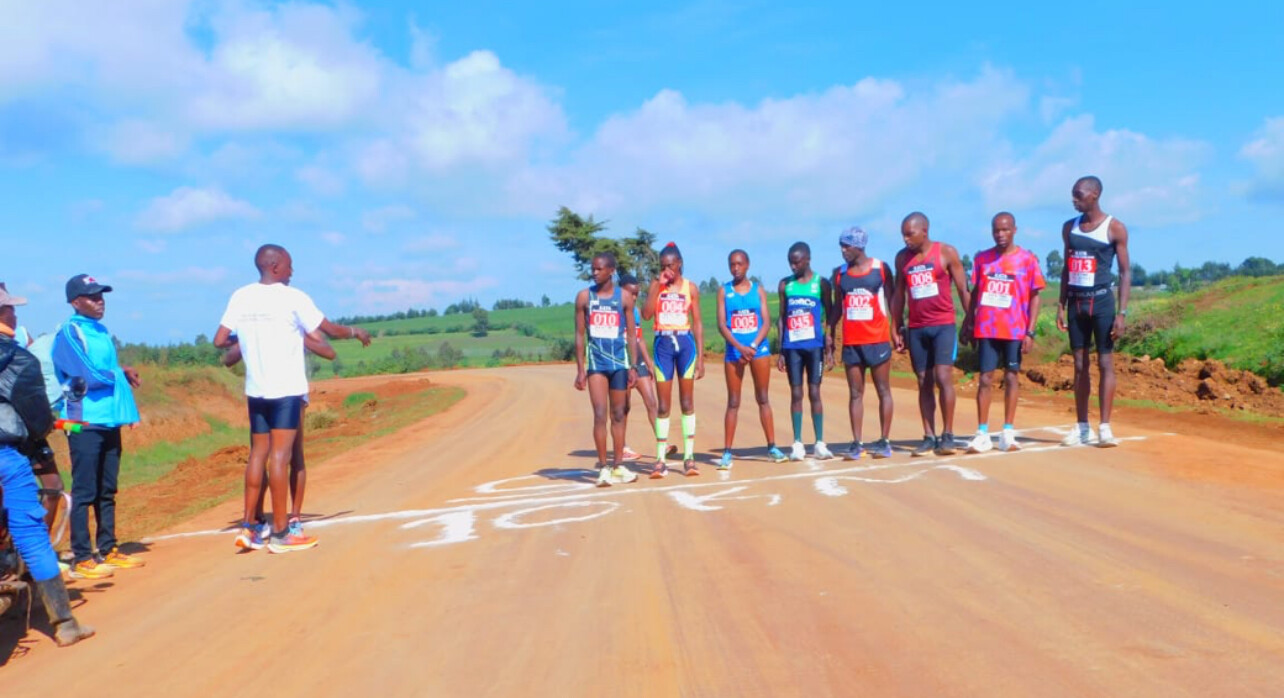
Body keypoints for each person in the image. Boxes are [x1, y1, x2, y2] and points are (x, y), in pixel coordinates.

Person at [214, 244, 368, 554]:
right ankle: (282, 532)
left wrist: (248, 335)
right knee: (281, 458)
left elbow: (219, 340)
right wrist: (356, 332)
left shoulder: (241, 296)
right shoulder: (294, 298)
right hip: (285, 390)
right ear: (274, 266)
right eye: (289, 265)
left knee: (258, 455)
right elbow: (330, 332)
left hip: (256, 391)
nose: (292, 271)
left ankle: (250, 527)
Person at [0, 286, 95, 647]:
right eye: (10, 309)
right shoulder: (18, 359)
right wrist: (40, 428)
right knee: (30, 530)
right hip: (6, 455)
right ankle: (65, 623)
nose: (15, 315)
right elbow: (38, 418)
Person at [51, 274, 144, 580]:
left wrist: (119, 371)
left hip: (108, 418)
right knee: (84, 490)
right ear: (76, 302)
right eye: (92, 297)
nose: (100, 302)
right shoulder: (70, 332)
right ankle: (81, 556)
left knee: (107, 488)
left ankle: (108, 547)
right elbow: (87, 375)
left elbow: (105, 370)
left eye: (101, 296)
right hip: (83, 421)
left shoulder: (101, 331)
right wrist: (118, 374)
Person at [221, 331, 336, 540]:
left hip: (260, 393)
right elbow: (328, 351)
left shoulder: (254, 321)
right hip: (288, 392)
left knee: (260, 454)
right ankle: (291, 521)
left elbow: (227, 358)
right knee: (290, 455)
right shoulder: (289, 322)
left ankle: (253, 523)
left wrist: (244, 340)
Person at [1056, 176, 1131, 447]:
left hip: (1101, 303)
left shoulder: (1115, 228)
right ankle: (1082, 426)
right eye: (1073, 195)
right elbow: (1066, 269)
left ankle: (1105, 427)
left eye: (1078, 195)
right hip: (1076, 303)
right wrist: (1061, 305)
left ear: (1095, 195)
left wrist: (1122, 313)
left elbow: (1124, 272)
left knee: (1105, 363)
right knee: (1079, 365)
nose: (1074, 200)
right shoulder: (1069, 228)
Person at [962, 213, 1046, 453]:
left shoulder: (1027, 260)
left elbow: (1035, 297)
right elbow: (975, 293)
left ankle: (1008, 432)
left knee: (1011, 377)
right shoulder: (982, 259)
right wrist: (969, 322)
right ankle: (982, 433)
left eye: (1005, 230)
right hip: (987, 327)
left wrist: (1030, 332)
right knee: (985, 378)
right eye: (996, 230)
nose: (1000, 234)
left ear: (1014, 230)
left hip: (1014, 328)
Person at [892, 212, 970, 457]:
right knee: (923, 380)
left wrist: (971, 321)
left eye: (909, 234)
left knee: (942, 376)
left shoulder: (946, 252)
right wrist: (895, 326)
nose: (905, 239)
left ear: (924, 231)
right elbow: (898, 294)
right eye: (903, 235)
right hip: (917, 328)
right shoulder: (902, 258)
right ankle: (928, 436)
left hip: (943, 325)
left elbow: (963, 289)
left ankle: (948, 435)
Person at [830, 227, 898, 460]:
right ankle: (857, 443)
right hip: (852, 342)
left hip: (877, 339)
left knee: (883, 390)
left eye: (846, 246)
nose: (843, 250)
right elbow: (837, 307)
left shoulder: (880, 269)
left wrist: (896, 329)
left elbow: (892, 301)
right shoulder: (839, 274)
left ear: (859, 246)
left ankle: (884, 441)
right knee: (855, 393)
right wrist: (830, 332)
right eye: (841, 246)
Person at [573, 253, 640, 487]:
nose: (594, 272)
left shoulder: (624, 298)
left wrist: (634, 366)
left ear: (611, 271)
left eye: (599, 269)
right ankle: (603, 468)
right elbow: (579, 335)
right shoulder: (584, 297)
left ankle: (618, 465)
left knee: (619, 414)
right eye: (593, 269)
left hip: (619, 363)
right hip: (597, 365)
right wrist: (580, 369)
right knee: (600, 414)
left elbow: (631, 335)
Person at [715, 250, 785, 469]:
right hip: (735, 352)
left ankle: (772, 446)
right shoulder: (724, 291)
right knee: (733, 401)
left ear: (747, 265)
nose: (735, 268)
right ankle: (727, 452)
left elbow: (766, 322)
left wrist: (753, 346)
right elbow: (722, 324)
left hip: (758, 350)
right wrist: (739, 347)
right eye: (732, 264)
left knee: (763, 397)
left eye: (739, 264)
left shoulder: (758, 290)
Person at [641, 242, 704, 477]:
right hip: (663, 345)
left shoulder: (690, 288)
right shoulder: (657, 286)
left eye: (670, 265)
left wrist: (701, 358)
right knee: (663, 405)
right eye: (663, 266)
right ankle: (660, 460)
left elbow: (697, 323)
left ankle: (689, 458)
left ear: (679, 263)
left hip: (685, 343)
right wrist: (657, 286)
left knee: (687, 402)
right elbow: (646, 315)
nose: (667, 269)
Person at [777, 242, 835, 461]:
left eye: (797, 262)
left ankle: (819, 443)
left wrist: (829, 345)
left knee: (814, 392)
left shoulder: (821, 283)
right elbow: (782, 317)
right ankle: (798, 443)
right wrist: (781, 350)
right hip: (793, 348)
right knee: (796, 393)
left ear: (808, 259)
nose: (793, 266)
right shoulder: (785, 285)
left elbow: (830, 314)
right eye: (790, 263)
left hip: (814, 347)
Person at [617, 273, 673, 462]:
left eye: (636, 294)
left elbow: (639, 338)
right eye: (630, 293)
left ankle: (662, 443)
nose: (634, 298)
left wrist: (649, 363)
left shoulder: (635, 312)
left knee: (651, 401)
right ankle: (622, 447)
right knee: (624, 406)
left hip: (637, 361)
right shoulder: (614, 311)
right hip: (621, 362)